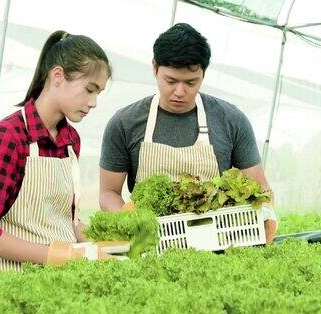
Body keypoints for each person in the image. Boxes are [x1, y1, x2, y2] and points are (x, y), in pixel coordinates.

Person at [0, 30, 128, 284]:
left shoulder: (71, 140)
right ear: (58, 76)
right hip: (11, 285)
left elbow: (63, 221)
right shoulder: (9, 137)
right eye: (89, 90)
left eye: (98, 93)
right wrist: (57, 255)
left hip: (59, 284)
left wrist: (108, 245)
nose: (93, 102)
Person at [99, 23, 277, 242]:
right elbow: (108, 193)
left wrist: (266, 214)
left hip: (217, 240)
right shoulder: (124, 123)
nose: (179, 92)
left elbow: (260, 188)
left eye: (191, 82)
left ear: (204, 74)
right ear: (155, 68)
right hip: (150, 243)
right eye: (171, 81)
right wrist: (131, 220)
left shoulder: (231, 120)